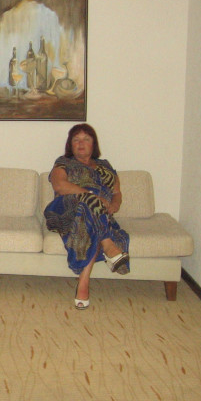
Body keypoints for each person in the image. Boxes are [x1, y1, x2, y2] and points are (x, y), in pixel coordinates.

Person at [44, 123, 130, 310]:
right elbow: (59, 186)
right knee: (88, 202)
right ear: (70, 144)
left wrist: (114, 205)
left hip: (97, 215)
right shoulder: (63, 162)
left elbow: (116, 192)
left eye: (86, 139)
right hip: (65, 209)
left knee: (91, 221)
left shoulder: (105, 166)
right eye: (76, 140)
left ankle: (83, 282)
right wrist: (92, 196)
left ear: (94, 144)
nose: (81, 143)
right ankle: (109, 246)